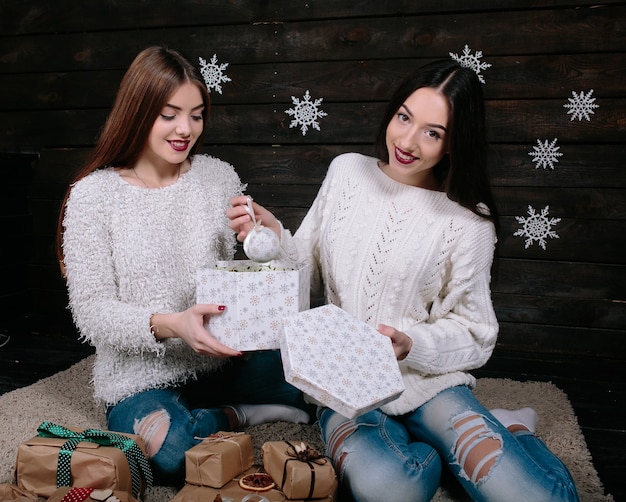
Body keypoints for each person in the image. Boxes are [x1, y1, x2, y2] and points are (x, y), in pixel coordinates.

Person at [228, 60, 579, 501]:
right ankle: (462, 446)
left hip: (427, 382)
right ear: (393, 113)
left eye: (432, 132)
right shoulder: (346, 172)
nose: (408, 141)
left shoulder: (469, 223)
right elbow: (305, 267)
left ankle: (512, 432)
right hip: (344, 380)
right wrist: (276, 235)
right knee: (391, 488)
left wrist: (411, 344)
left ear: (454, 143)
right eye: (404, 118)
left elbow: (477, 333)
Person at [56, 46, 313, 485]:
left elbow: (251, 283)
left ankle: (225, 403)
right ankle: (233, 415)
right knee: (174, 454)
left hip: (219, 359)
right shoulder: (93, 197)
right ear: (137, 113)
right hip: (139, 378)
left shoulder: (216, 177)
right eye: (169, 114)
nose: (185, 129)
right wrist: (176, 324)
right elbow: (93, 313)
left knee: (319, 382)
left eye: (196, 115)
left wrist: (266, 238)